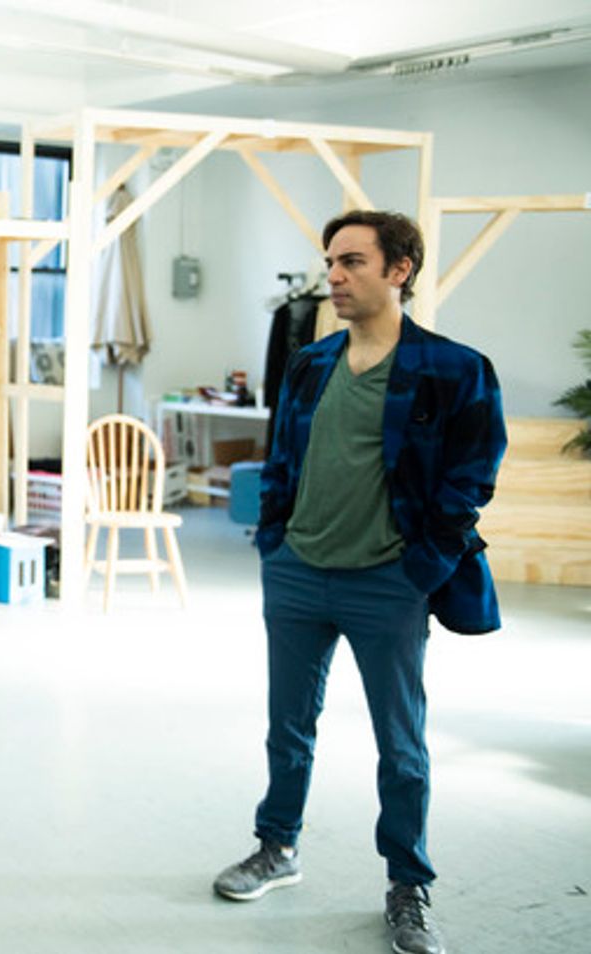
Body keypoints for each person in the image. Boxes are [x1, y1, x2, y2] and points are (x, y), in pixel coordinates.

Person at [212, 210, 506, 954]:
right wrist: (275, 542)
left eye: (350, 263)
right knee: (288, 729)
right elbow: (281, 459)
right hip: (298, 574)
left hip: (389, 582)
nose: (334, 277)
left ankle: (409, 886)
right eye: (330, 263)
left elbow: (472, 477)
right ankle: (277, 846)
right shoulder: (311, 363)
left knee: (401, 745)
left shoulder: (455, 369)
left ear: (399, 270)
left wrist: (422, 567)